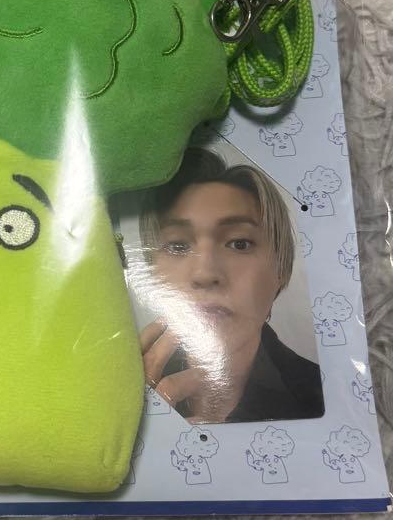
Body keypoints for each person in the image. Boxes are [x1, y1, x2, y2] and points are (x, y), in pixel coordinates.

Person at [137, 148, 323, 424]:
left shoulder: (326, 397)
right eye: (177, 246)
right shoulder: (109, 391)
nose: (205, 274)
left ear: (281, 269)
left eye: (239, 243)